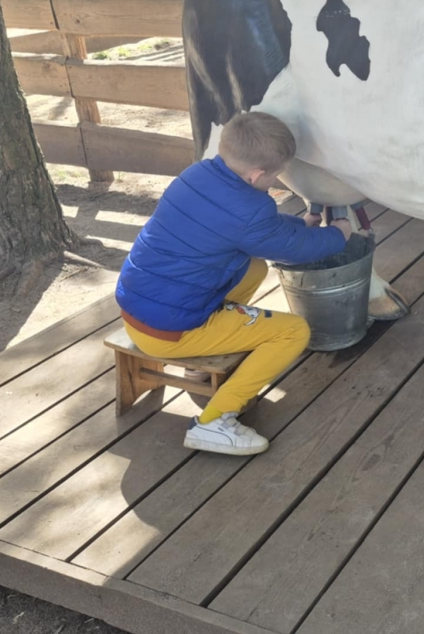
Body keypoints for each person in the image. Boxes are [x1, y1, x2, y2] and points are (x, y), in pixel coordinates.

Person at [116, 111, 351, 455]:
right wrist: (338, 235)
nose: (274, 180)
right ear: (256, 175)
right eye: (275, 175)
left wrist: (301, 225)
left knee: (252, 267)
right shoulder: (250, 211)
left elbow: (255, 229)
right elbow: (292, 249)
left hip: (138, 306)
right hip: (171, 331)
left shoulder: (196, 174)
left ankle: (204, 354)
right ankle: (214, 422)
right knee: (293, 332)